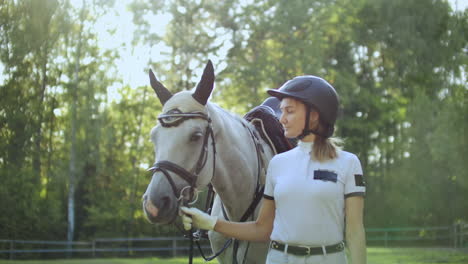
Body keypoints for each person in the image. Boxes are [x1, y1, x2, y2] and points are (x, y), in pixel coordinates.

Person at [181, 75, 366, 264]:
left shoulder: (348, 163)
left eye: (290, 111)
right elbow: (262, 229)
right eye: (282, 111)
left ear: (315, 115)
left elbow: (355, 232)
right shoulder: (277, 164)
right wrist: (209, 222)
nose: (282, 119)